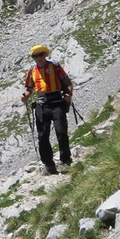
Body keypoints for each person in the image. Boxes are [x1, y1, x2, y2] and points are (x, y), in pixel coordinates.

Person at [21, 45, 73, 174]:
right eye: (35, 56)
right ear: (33, 58)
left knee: (61, 131)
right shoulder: (32, 71)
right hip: (41, 104)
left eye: (40, 54)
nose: (38, 58)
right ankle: (49, 165)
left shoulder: (55, 66)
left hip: (57, 102)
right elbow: (29, 89)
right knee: (42, 136)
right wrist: (25, 97)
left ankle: (66, 161)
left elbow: (68, 83)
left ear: (45, 54)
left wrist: (69, 95)